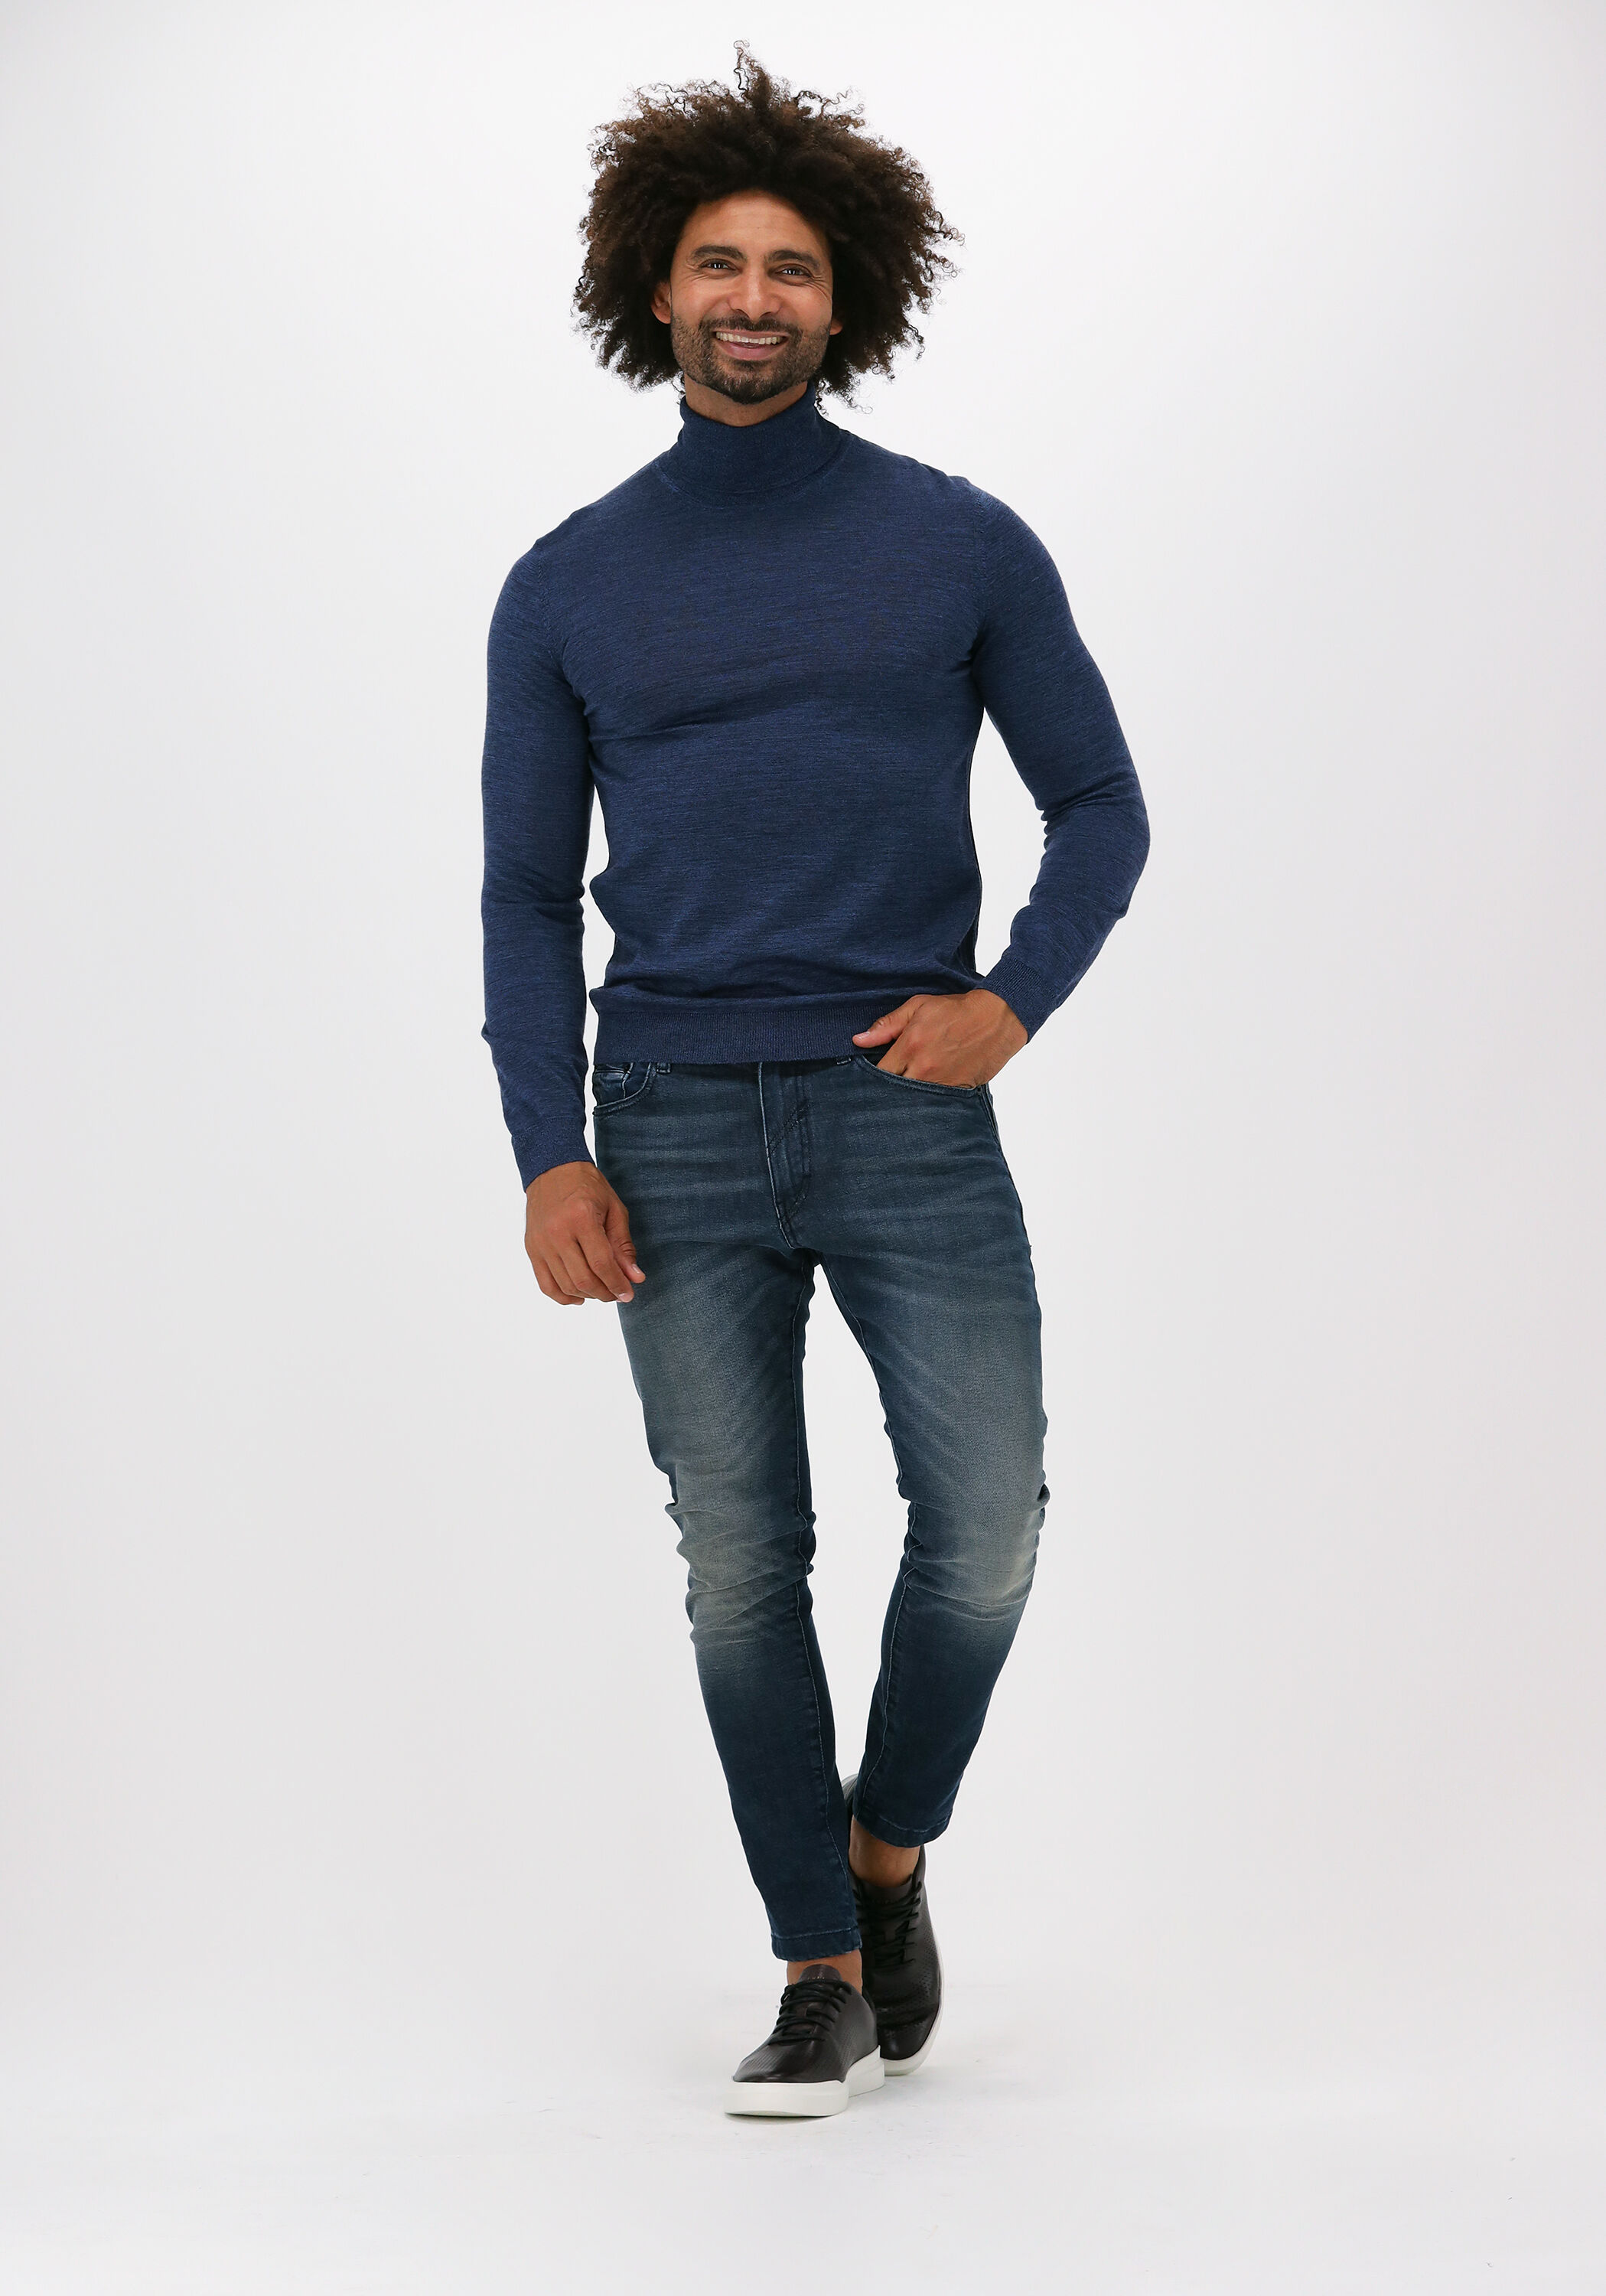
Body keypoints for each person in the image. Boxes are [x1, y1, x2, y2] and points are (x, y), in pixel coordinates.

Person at [480, 49, 1148, 2118]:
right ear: (654, 292)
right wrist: (549, 1155)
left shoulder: (959, 546)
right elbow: (522, 896)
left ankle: (884, 1851)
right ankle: (816, 1967)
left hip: (902, 1108)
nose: (750, 298)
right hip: (671, 1123)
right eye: (716, 265)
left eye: (786, 268)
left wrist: (1010, 1004)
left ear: (841, 298)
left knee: (986, 1527)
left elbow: (1102, 806)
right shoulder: (568, 580)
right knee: (739, 1560)